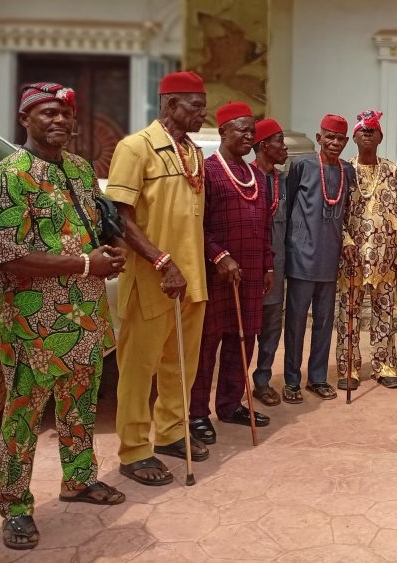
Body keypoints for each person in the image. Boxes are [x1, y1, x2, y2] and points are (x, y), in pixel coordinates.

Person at [0, 82, 126, 550]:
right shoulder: (9, 176)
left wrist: (108, 251)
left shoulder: (81, 169)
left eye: (65, 113)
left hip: (84, 313)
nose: (59, 120)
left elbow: (93, 227)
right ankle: (15, 506)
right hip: (34, 321)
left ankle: (79, 479)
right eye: (47, 112)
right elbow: (9, 257)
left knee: (80, 400)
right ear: (24, 119)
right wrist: (88, 264)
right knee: (24, 414)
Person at [107, 71, 210, 487]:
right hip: (154, 278)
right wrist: (162, 261)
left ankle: (170, 432)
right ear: (170, 105)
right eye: (195, 106)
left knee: (180, 365)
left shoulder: (194, 152)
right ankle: (133, 450)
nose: (202, 113)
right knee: (139, 368)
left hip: (193, 279)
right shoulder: (135, 147)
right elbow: (120, 218)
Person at [188, 103, 274, 444]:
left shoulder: (258, 176)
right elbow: (197, 225)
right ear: (223, 131)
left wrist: (267, 265)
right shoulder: (207, 171)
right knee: (208, 344)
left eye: (253, 131)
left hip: (250, 273)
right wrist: (219, 256)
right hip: (216, 274)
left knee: (244, 340)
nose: (250, 136)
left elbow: (265, 227)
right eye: (242, 130)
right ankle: (197, 413)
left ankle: (230, 404)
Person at [283, 114, 355, 403]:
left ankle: (317, 378)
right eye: (330, 137)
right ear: (319, 138)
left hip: (330, 258)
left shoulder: (347, 171)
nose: (335, 143)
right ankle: (291, 381)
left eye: (340, 139)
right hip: (301, 258)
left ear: (346, 141)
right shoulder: (302, 165)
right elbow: (289, 205)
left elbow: (348, 213)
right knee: (296, 323)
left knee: (325, 322)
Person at [336, 109, 397, 390]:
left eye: (372, 131)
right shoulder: (344, 171)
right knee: (348, 315)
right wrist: (345, 242)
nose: (367, 134)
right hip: (352, 257)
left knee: (384, 314)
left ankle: (384, 366)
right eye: (362, 131)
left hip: (385, 257)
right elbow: (336, 215)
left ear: (380, 137)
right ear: (354, 137)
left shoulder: (392, 171)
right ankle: (349, 368)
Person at [251, 118, 289, 406]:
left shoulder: (283, 181)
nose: (285, 147)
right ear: (264, 146)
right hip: (249, 266)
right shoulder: (245, 177)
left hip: (276, 267)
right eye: (280, 141)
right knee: (241, 332)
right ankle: (233, 389)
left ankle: (262, 381)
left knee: (272, 327)